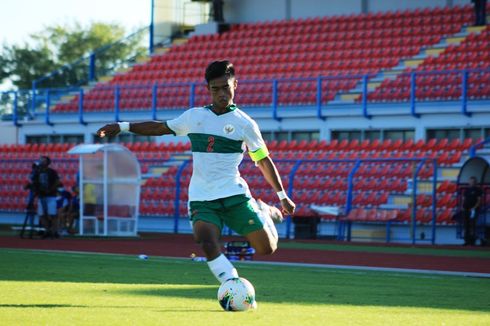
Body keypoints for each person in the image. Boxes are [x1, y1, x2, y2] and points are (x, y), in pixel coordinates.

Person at [97, 60, 296, 285]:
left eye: (226, 87)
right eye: (215, 89)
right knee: (205, 238)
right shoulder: (194, 117)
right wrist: (123, 127)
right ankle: (232, 284)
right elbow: (159, 127)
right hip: (202, 197)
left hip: (234, 195)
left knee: (266, 248)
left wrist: (282, 196)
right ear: (207, 89)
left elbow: (262, 160)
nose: (221, 93)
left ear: (235, 85)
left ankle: (265, 212)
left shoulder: (245, 124)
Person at [32, 155, 61, 239]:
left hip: (51, 195)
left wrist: (51, 189)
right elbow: (34, 182)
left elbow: (57, 182)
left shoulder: (52, 172)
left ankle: (54, 231)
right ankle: (47, 230)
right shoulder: (37, 172)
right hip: (41, 196)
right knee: (41, 214)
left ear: (48, 163)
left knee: (52, 214)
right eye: (41, 160)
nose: (42, 162)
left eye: (44, 161)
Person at [462, 176, 483, 246]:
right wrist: (463, 206)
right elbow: (463, 199)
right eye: (470, 181)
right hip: (466, 209)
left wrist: (474, 208)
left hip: (474, 210)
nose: (471, 183)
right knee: (466, 225)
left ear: (475, 182)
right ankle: (466, 240)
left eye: (473, 181)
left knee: (472, 225)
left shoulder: (478, 190)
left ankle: (472, 241)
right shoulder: (466, 190)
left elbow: (479, 200)